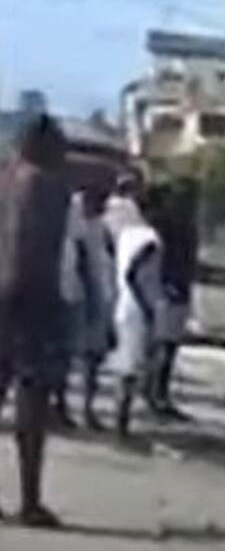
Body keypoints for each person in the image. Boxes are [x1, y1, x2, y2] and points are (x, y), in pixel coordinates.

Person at [0, 114, 72, 528]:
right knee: (32, 406)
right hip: (30, 301)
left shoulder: (6, 179)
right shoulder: (48, 185)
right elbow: (37, 250)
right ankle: (29, 500)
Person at [52, 182, 116, 431]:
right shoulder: (73, 215)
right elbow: (84, 261)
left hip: (89, 293)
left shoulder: (97, 222)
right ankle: (61, 406)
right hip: (75, 294)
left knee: (89, 357)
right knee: (64, 355)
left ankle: (82, 408)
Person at [112, 184, 166, 440]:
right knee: (132, 367)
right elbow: (134, 272)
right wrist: (148, 307)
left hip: (123, 304)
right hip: (137, 308)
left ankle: (121, 420)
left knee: (127, 366)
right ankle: (121, 424)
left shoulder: (126, 234)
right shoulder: (150, 239)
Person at [147, 177, 198, 420]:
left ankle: (158, 393)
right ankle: (155, 394)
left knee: (169, 345)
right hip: (168, 287)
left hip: (179, 287)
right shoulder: (165, 223)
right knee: (163, 346)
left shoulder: (185, 223)